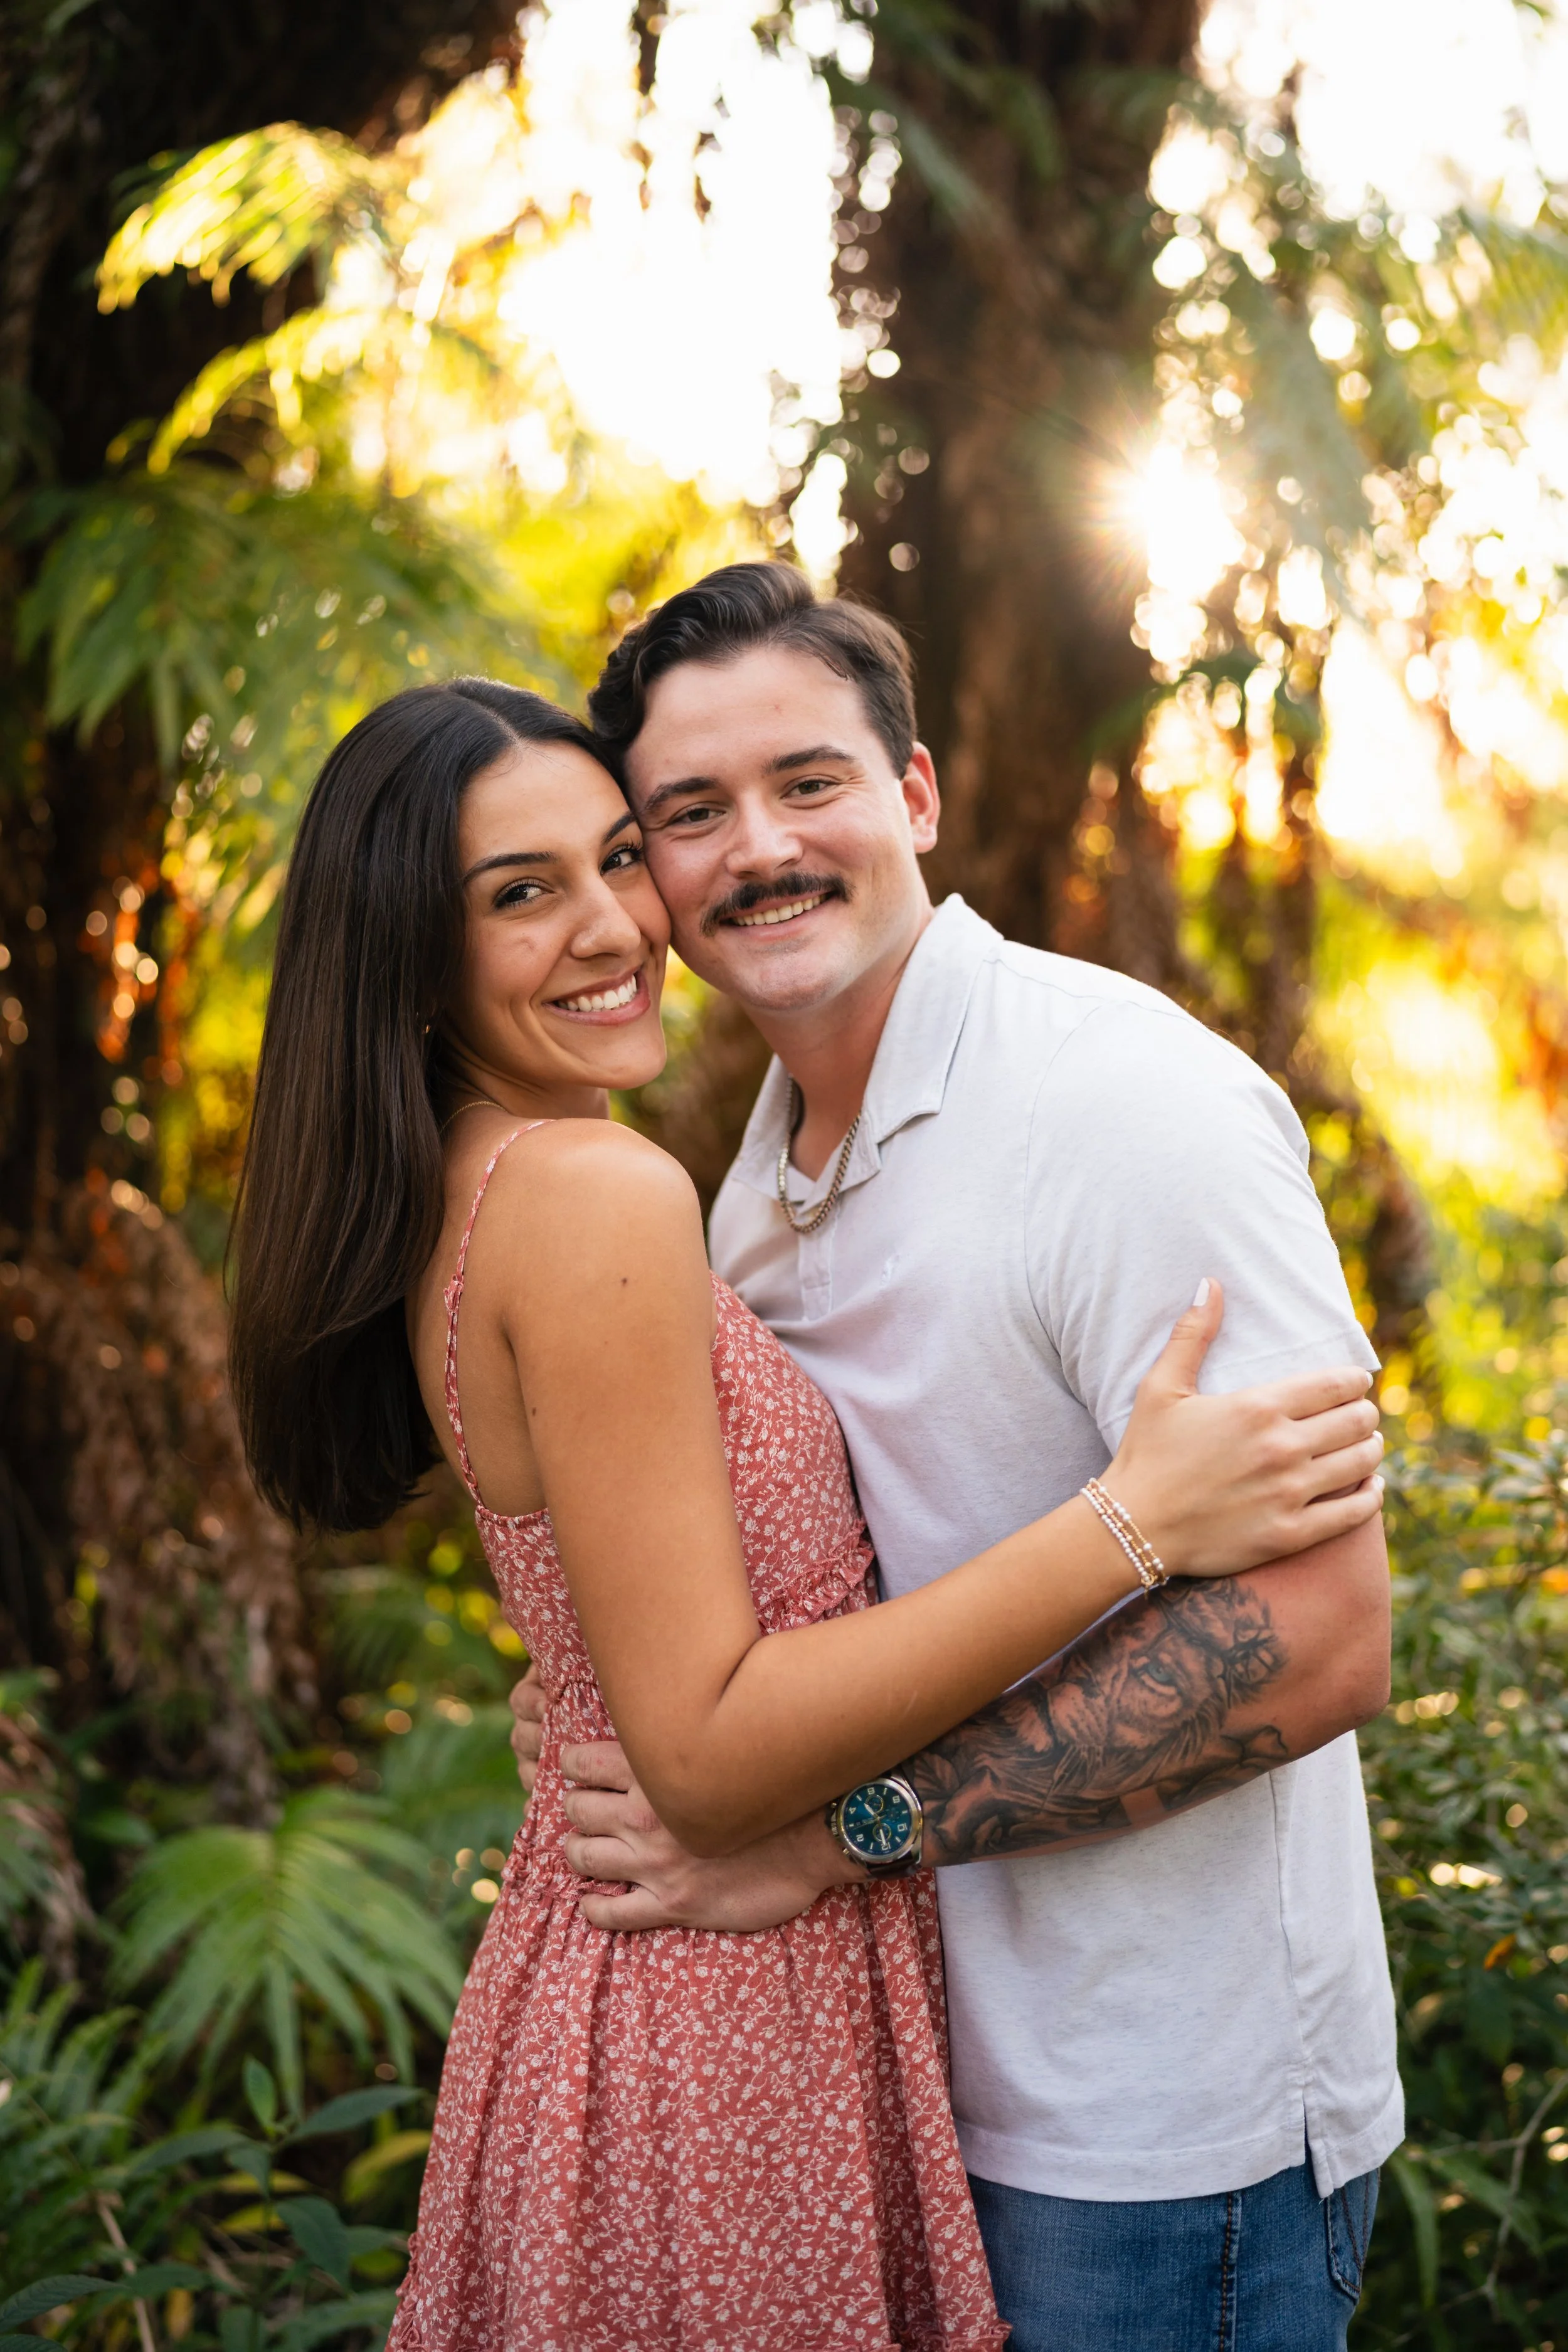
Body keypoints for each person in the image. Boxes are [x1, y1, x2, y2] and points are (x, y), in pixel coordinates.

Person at [226, 672, 1385, 2352]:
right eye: (520, 890)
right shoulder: (608, 1194)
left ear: (913, 790)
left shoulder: (538, 1187)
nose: (614, 919)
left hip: (700, 2003)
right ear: (412, 953)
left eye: (617, 855)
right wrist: (1128, 1519)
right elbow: (703, 1750)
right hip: (719, 2012)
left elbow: (659, 1641)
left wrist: (603, 1685)